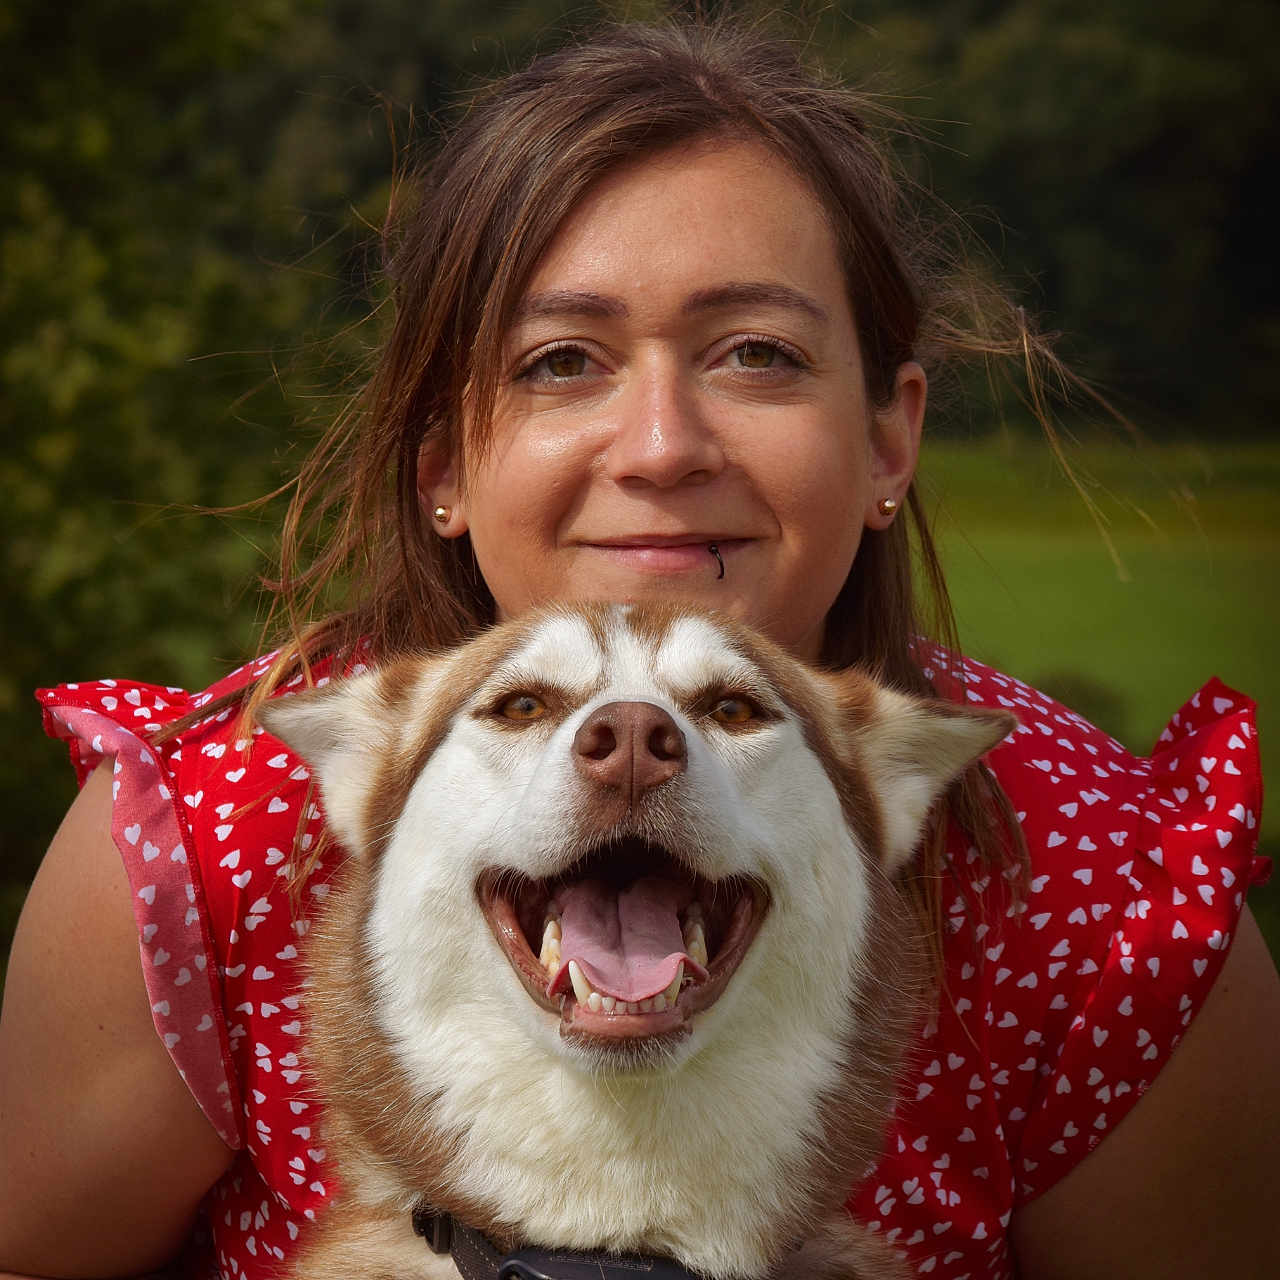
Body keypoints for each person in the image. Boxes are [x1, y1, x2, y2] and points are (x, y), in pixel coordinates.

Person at [2, 17, 1277, 1280]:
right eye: (563, 360)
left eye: (756, 354)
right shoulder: (204, 838)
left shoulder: (1101, 891)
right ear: (443, 461)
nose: (661, 444)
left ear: (887, 442)